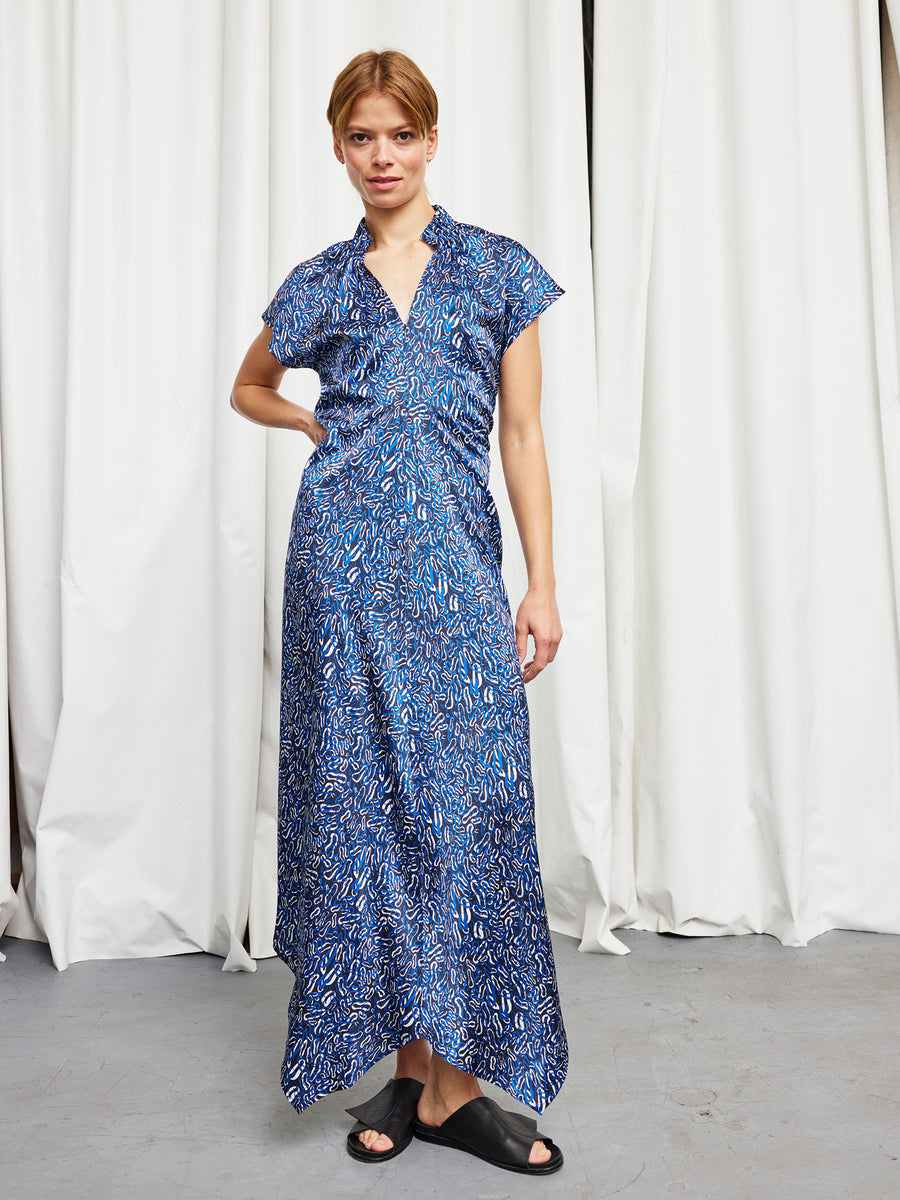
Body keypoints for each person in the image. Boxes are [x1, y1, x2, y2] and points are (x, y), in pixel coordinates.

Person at [231, 49, 567, 1177]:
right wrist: (311, 429)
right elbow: (249, 384)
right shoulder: (322, 282)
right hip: (339, 574)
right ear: (337, 145)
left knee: (463, 806)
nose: (381, 156)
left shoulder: (498, 272)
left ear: (432, 140)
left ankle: (455, 1077)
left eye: (399, 135)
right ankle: (424, 1076)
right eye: (360, 136)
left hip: (457, 577)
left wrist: (543, 581)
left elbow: (521, 438)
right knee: (367, 815)